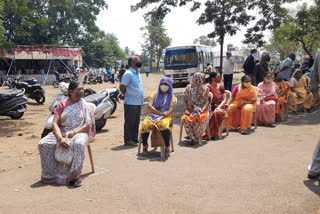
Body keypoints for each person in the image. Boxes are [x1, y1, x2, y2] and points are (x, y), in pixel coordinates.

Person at [38, 81, 95, 187]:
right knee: (43, 144)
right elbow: (55, 123)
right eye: (79, 89)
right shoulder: (62, 104)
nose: (82, 91)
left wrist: (74, 132)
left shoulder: (84, 105)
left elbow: (88, 124)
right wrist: (60, 138)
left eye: (82, 89)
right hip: (63, 131)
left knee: (78, 144)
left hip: (80, 131)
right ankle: (51, 175)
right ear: (71, 91)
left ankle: (75, 177)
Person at [140, 77, 176, 157]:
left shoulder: (172, 97)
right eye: (162, 84)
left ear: (170, 86)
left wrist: (161, 116)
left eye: (166, 84)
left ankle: (167, 147)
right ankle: (145, 146)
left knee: (164, 126)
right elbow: (149, 106)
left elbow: (170, 110)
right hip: (153, 115)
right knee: (145, 125)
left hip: (166, 117)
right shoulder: (154, 94)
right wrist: (158, 113)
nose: (164, 86)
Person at [120, 55, 144, 146]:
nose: (140, 61)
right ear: (132, 63)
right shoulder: (128, 73)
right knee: (130, 122)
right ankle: (128, 139)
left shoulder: (137, 73)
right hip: (130, 102)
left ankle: (134, 138)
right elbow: (122, 87)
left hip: (138, 102)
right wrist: (126, 94)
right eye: (138, 60)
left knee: (136, 121)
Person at [182, 72, 210, 144]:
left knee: (199, 118)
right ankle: (191, 137)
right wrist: (186, 109)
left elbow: (207, 102)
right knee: (185, 118)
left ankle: (198, 136)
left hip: (202, 110)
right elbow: (185, 100)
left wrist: (203, 109)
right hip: (190, 110)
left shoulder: (205, 89)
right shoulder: (188, 88)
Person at [207, 72, 231, 139]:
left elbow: (224, 98)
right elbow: (206, 99)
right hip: (211, 107)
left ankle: (214, 133)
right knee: (213, 112)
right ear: (213, 78)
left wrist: (219, 107)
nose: (219, 78)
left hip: (221, 106)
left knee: (217, 112)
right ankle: (211, 133)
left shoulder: (221, 86)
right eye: (218, 76)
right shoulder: (208, 87)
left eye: (220, 76)